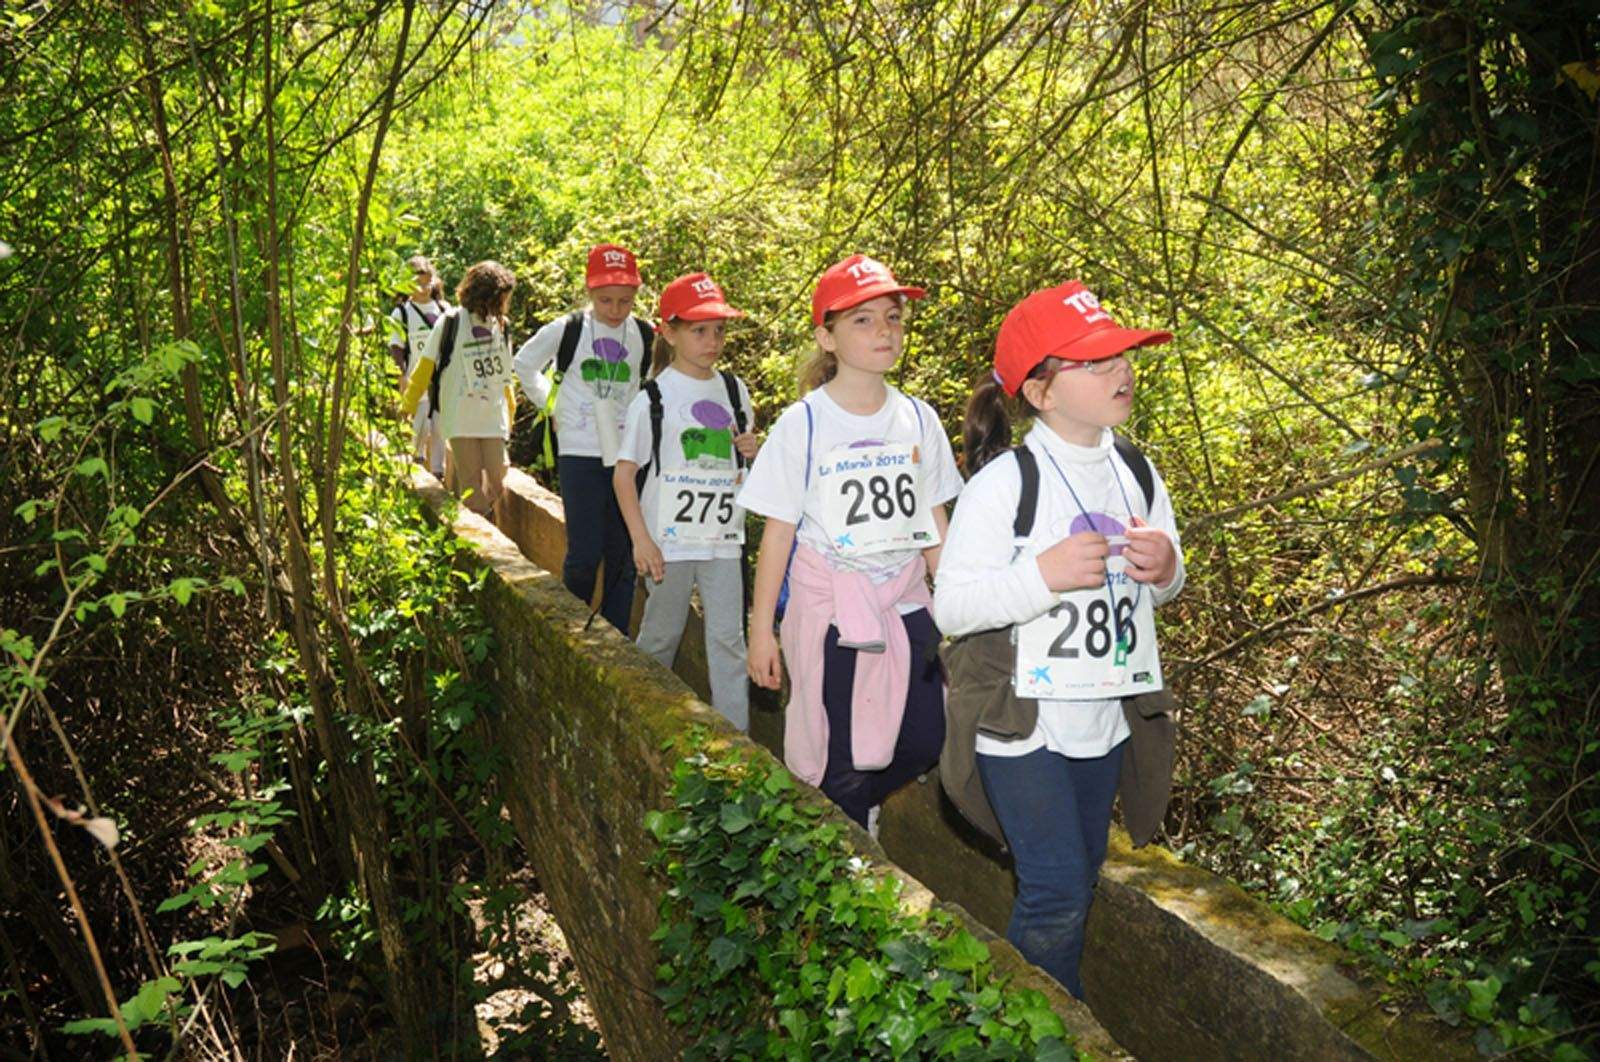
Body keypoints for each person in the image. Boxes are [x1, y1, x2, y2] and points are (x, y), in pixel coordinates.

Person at [933, 280, 1183, 999]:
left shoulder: (1136, 472)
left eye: (1121, 355)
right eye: (1094, 362)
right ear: (1040, 392)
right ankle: (1041, 1035)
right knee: (1056, 888)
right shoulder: (1005, 485)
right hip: (1021, 724)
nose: (1120, 370)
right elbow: (952, 607)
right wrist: (1041, 576)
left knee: (1079, 876)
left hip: (1103, 718)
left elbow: (1162, 587)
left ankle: (1039, 1017)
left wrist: (1166, 569)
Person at [737, 254, 962, 833]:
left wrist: (963, 605)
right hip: (833, 608)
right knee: (842, 752)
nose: (884, 330)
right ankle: (852, 848)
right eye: (863, 320)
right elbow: (778, 534)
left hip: (905, 600)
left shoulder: (919, 418)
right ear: (826, 337)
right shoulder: (803, 423)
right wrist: (761, 631)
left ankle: (848, 807)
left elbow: (934, 522)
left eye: (893, 317)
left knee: (928, 737)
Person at [613, 273, 759, 730]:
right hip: (668, 542)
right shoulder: (653, 398)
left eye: (719, 330)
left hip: (722, 539)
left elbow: (743, 469)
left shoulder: (734, 390)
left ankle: (737, 744)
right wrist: (641, 540)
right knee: (661, 635)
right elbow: (624, 474)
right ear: (669, 333)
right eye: (699, 331)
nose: (712, 341)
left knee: (729, 641)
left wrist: (753, 451)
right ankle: (641, 724)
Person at [513, 244, 652, 632]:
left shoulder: (642, 334)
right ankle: (573, 630)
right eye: (606, 300)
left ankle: (616, 636)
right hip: (579, 450)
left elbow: (648, 388)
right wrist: (552, 406)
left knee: (622, 554)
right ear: (590, 292)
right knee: (585, 552)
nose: (615, 309)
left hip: (625, 454)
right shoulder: (569, 329)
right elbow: (523, 363)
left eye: (625, 300)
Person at [399, 261, 517, 517]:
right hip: (460, 415)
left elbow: (505, 374)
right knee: (470, 483)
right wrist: (408, 404)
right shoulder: (450, 322)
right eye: (502, 297)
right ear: (486, 295)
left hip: (492, 415)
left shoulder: (502, 326)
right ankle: (481, 530)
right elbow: (424, 367)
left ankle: (486, 515)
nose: (505, 303)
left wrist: (511, 409)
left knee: (499, 474)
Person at [389, 255, 449, 476]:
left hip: (442, 378)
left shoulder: (443, 309)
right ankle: (416, 464)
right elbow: (396, 346)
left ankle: (438, 471)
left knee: (440, 427)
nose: (423, 288)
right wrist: (402, 375)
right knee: (420, 425)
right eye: (417, 283)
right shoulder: (402, 313)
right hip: (417, 378)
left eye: (427, 282)